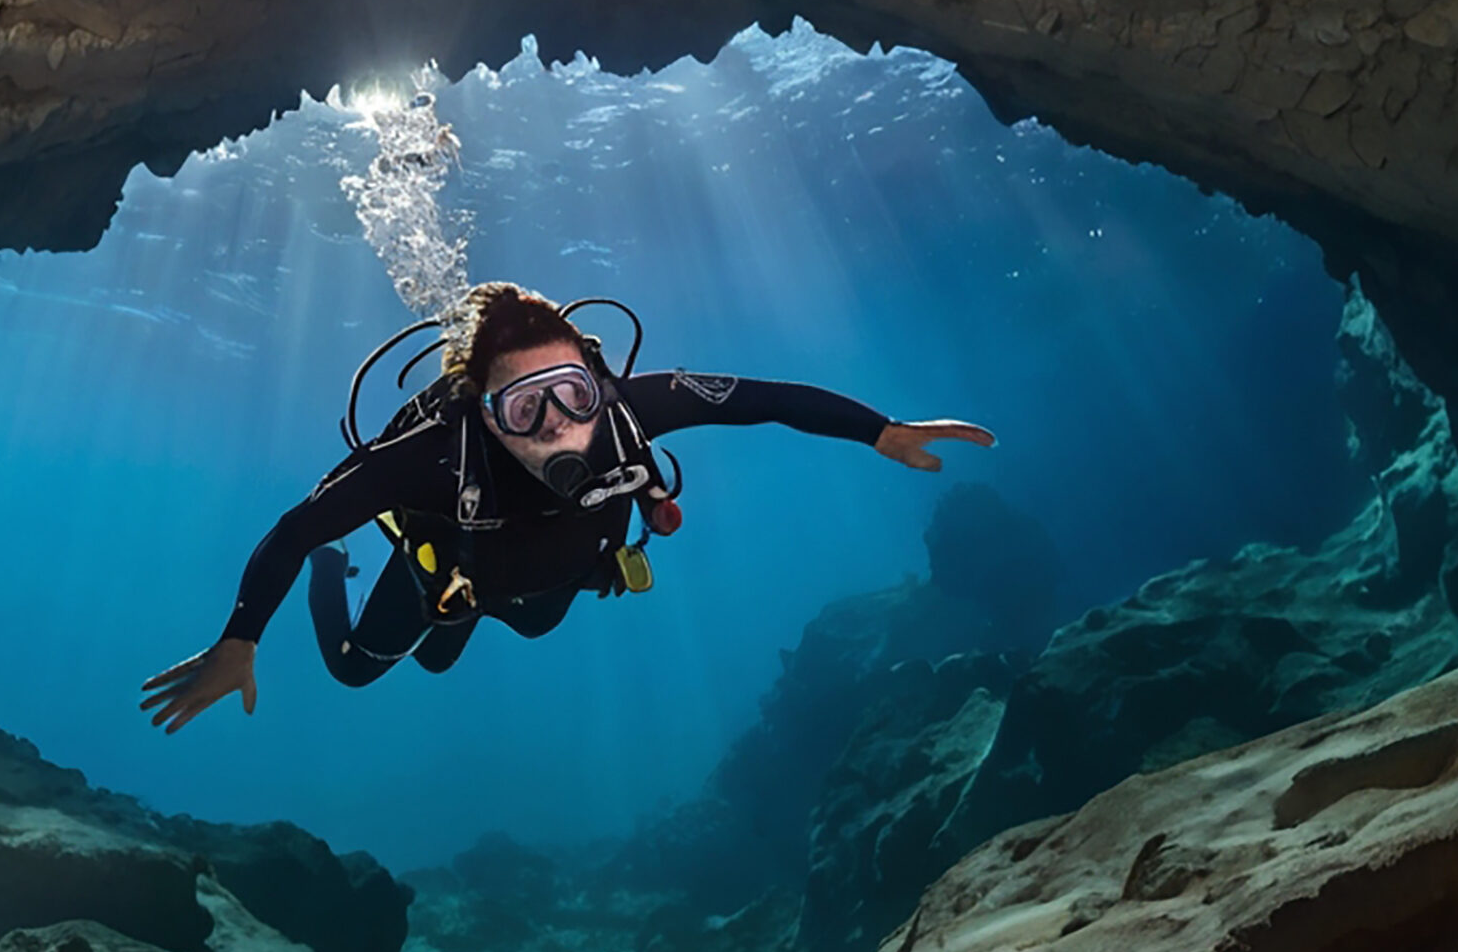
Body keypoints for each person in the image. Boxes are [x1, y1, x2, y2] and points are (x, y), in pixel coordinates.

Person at [141, 282, 994, 733]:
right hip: (451, 567)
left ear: (599, 381)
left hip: (545, 588)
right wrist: (240, 641)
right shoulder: (433, 461)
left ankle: (458, 617)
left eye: (571, 395)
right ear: (482, 413)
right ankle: (353, 579)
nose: (559, 428)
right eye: (524, 410)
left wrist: (878, 430)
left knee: (504, 635)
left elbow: (759, 397)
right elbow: (296, 526)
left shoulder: (630, 409)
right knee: (362, 668)